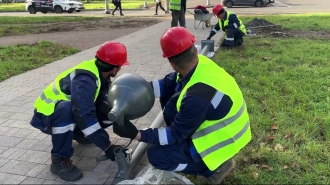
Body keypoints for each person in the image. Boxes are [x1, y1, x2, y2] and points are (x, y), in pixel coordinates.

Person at [112, 27, 252, 184]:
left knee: (156, 155)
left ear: (171, 63)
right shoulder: (199, 64)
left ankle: (213, 168)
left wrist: (137, 134)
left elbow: (173, 135)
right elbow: (164, 85)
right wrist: (129, 94)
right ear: (194, 49)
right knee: (171, 101)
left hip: (222, 142)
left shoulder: (197, 96)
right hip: (225, 126)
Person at [30, 41, 129, 181]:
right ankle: (59, 159)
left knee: (107, 107)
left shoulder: (101, 75)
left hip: (67, 111)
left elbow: (98, 105)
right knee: (67, 110)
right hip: (48, 114)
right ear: (115, 69)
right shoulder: (85, 80)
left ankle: (79, 133)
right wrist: (107, 146)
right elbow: (84, 115)